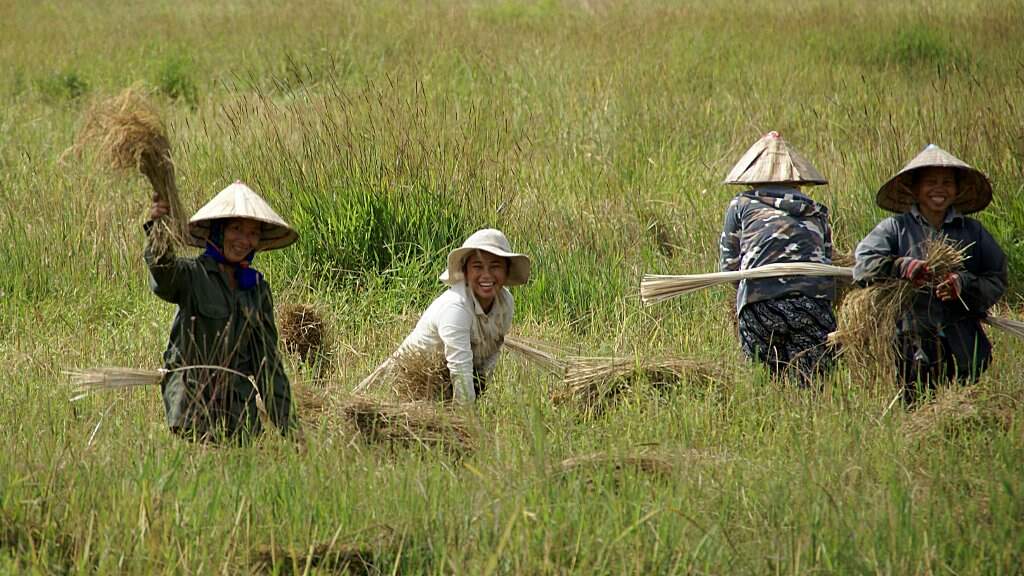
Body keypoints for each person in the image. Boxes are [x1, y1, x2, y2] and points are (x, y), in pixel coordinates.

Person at [146, 180, 298, 442]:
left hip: (238, 409)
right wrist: (159, 230)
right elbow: (164, 277)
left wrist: (291, 430)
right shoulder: (192, 276)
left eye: (252, 233)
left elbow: (268, 366)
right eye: (236, 229)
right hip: (193, 402)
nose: (243, 240)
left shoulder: (257, 290)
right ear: (217, 231)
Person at [853, 144, 1007, 401]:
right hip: (911, 341)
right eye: (931, 182)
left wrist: (962, 284)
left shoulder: (972, 232)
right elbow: (863, 266)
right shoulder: (895, 228)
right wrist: (901, 266)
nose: (939, 189)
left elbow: (996, 278)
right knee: (916, 404)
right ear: (914, 189)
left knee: (967, 408)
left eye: (947, 182)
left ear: (957, 190)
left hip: (964, 344)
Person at [357, 229, 530, 405]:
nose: (486, 275)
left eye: (495, 266)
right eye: (477, 266)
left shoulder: (505, 302)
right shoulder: (456, 307)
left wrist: (479, 391)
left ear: (507, 271)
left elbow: (492, 351)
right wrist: (467, 421)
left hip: (445, 387)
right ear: (465, 272)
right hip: (405, 387)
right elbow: (460, 369)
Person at [719, 131, 838, 385]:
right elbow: (827, 262)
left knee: (766, 383)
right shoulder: (817, 212)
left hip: (760, 306)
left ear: (753, 179)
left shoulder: (741, 205)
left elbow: (729, 267)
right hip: (813, 307)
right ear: (798, 181)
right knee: (813, 385)